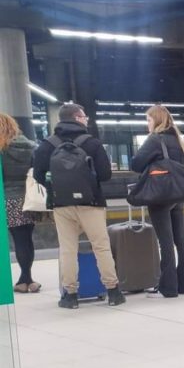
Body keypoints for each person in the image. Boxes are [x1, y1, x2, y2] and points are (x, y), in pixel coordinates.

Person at [33, 103, 125, 309]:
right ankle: (113, 292)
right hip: (91, 203)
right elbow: (105, 174)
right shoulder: (91, 143)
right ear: (76, 118)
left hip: (61, 204)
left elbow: (38, 175)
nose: (86, 120)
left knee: (67, 249)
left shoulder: (47, 144)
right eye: (84, 116)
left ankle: (70, 296)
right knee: (101, 247)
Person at [132, 104, 184, 297]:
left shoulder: (154, 139)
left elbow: (136, 164)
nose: (147, 124)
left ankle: (168, 287)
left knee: (165, 242)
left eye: (149, 120)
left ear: (156, 120)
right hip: (177, 194)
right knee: (180, 240)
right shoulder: (177, 139)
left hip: (160, 196)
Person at [1, 113, 40, 293]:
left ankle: (23, 280)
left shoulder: (2, 149)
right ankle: (27, 278)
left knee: (14, 240)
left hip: (7, 199)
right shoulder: (30, 146)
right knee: (24, 239)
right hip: (28, 199)